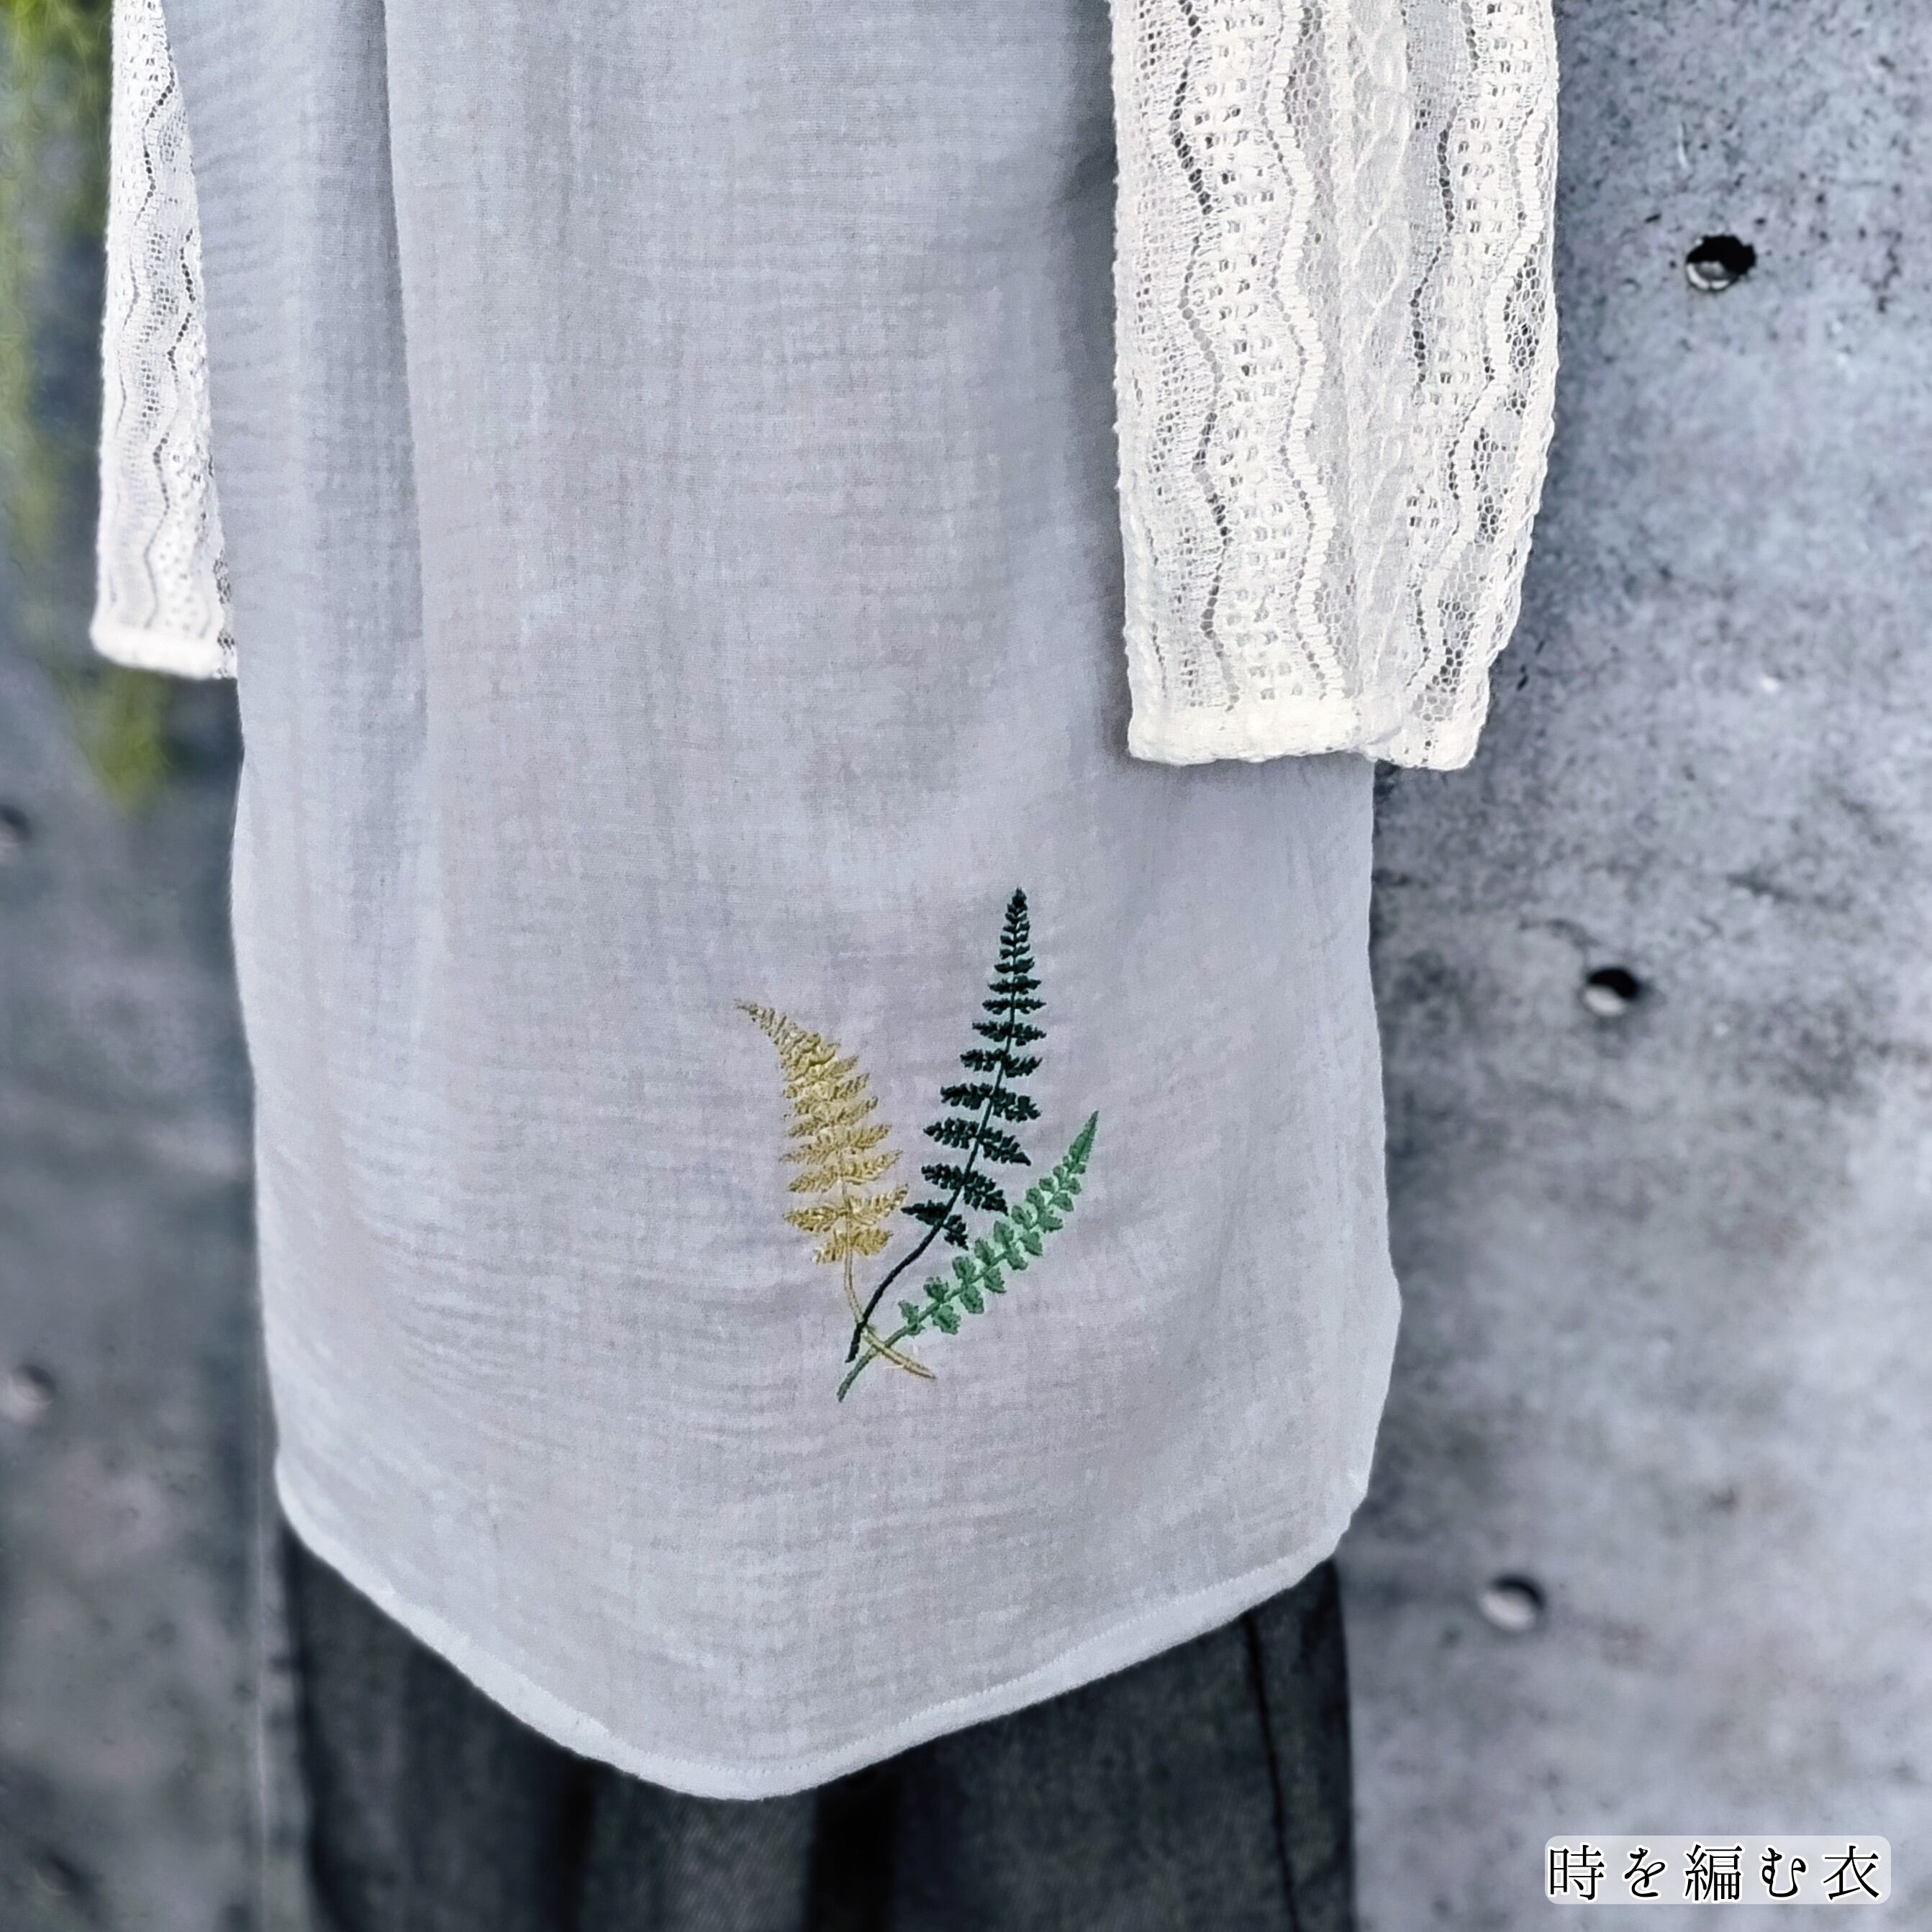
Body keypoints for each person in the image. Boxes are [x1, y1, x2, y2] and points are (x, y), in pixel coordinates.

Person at [93, 0, 1557, 1923]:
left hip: (962, 422)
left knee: (1031, 1622)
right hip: (433, 410)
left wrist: (1306, 535)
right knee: (500, 1525)